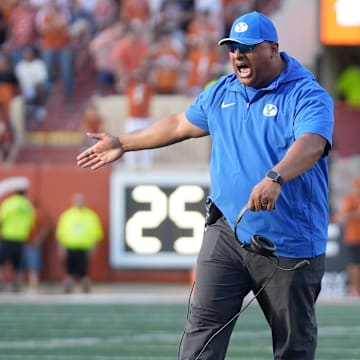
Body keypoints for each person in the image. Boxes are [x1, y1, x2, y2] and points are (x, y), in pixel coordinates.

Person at [77, 11, 334, 360]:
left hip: (288, 241)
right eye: (232, 48)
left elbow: (312, 143)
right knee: (202, 329)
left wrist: (276, 176)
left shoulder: (306, 94)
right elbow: (178, 124)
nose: (238, 55)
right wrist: (123, 143)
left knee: (293, 345)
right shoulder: (222, 91)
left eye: (248, 48)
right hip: (228, 231)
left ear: (273, 49)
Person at [55, 193, 103, 293]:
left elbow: (96, 233)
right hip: (70, 247)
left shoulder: (91, 216)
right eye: (77, 201)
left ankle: (86, 289)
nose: (79, 203)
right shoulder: (67, 215)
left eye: (81, 201)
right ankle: (68, 289)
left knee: (84, 273)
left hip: (84, 248)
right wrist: (61, 247)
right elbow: (60, 233)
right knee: (69, 272)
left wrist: (94, 247)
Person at [0, 187, 35, 292]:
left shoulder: (9, 203)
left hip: (7, 237)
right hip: (20, 238)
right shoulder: (28, 206)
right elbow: (31, 222)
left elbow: (2, 219)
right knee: (18, 264)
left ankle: (1, 282)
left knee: (1, 262)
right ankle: (17, 284)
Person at [20, 198, 51, 294]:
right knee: (19, 267)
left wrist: (38, 239)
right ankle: (20, 288)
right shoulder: (20, 214)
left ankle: (33, 288)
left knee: (33, 267)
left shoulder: (36, 213)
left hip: (31, 245)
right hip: (20, 243)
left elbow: (46, 227)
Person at [339, 177, 360, 296]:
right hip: (353, 237)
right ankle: (355, 288)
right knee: (354, 263)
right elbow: (343, 216)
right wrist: (356, 214)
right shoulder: (350, 199)